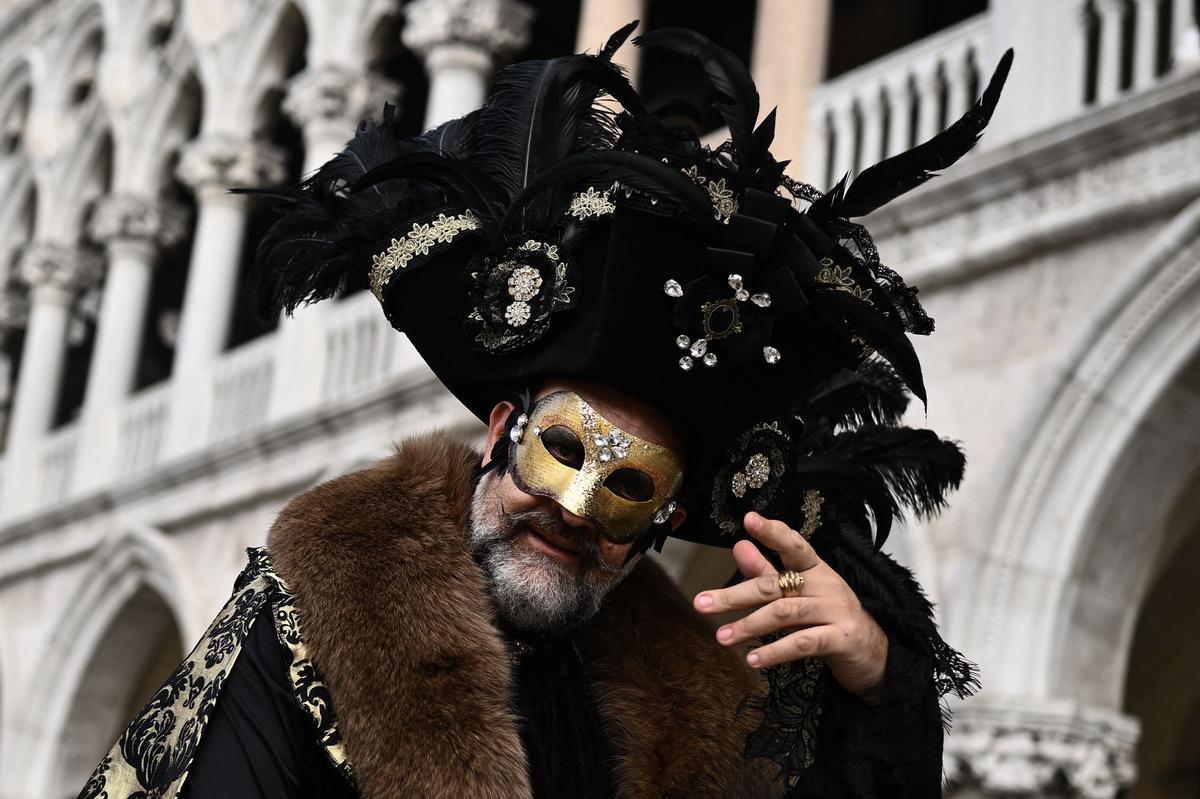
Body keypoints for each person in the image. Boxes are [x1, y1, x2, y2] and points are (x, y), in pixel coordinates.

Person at [79, 24, 1012, 799]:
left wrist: (876, 676)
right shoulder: (305, 620)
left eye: (629, 486)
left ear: (661, 523)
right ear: (498, 434)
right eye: (562, 448)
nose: (573, 509)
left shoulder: (680, 703)